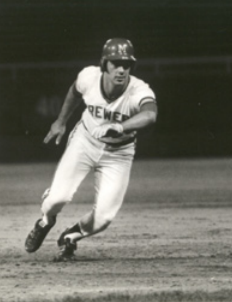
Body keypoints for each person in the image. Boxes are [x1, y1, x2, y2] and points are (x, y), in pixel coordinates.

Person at [25, 38, 158, 261]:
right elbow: (74, 92)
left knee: (104, 218)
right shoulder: (89, 77)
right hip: (85, 141)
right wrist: (60, 121)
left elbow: (150, 115)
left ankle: (71, 236)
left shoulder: (138, 89)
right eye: (115, 63)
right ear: (104, 64)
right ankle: (45, 222)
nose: (121, 69)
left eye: (126, 64)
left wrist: (121, 126)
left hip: (119, 154)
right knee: (57, 199)